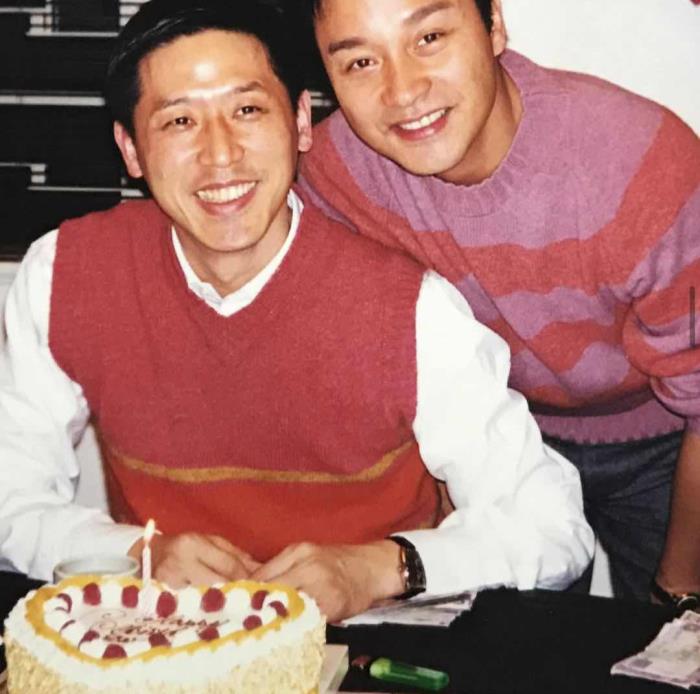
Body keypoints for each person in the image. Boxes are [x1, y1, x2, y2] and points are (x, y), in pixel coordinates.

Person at [0, 0, 592, 622]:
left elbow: (553, 527)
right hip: (163, 638)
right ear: (131, 150)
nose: (220, 154)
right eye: (180, 122)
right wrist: (134, 554)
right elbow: (11, 497)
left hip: (368, 637)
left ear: (302, 122)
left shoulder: (406, 306)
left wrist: (381, 568)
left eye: (247, 110)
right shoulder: (69, 273)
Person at [298, 0, 700, 604]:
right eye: (360, 62)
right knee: (506, 648)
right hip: (495, 445)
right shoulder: (336, 174)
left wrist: (680, 595)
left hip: (667, 444)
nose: (402, 91)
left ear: (494, 27)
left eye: (429, 38)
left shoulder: (639, 161)